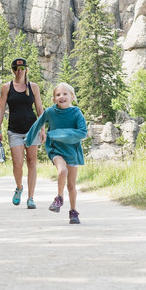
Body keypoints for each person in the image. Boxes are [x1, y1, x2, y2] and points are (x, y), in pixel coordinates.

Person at [24, 82, 87, 224]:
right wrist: (27, 140)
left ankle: (73, 212)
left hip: (72, 151)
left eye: (65, 94)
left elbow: (83, 132)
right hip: (55, 149)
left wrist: (60, 133)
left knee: (71, 186)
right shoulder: (50, 112)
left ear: (72, 97)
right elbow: (37, 124)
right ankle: (59, 198)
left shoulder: (76, 112)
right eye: (58, 95)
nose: (61, 97)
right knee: (62, 171)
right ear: (53, 99)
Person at [0, 58, 45, 209]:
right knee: (17, 163)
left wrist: (42, 129)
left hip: (32, 129)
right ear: (13, 70)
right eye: (16, 68)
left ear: (26, 70)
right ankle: (19, 187)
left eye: (22, 68)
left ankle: (31, 197)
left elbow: (40, 109)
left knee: (32, 162)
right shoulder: (6, 87)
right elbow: (1, 109)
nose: (19, 71)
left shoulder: (33, 87)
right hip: (14, 130)